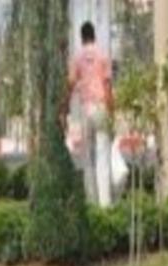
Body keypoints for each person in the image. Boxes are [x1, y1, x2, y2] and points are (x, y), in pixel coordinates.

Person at [66, 21, 115, 208]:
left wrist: (64, 107)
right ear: (94, 35)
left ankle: (91, 201)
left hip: (85, 109)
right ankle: (105, 204)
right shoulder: (103, 55)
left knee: (88, 158)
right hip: (101, 107)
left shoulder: (77, 58)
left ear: (81, 37)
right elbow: (108, 86)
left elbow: (70, 84)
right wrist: (112, 111)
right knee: (103, 155)